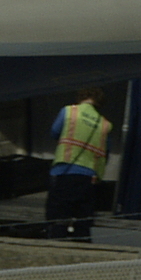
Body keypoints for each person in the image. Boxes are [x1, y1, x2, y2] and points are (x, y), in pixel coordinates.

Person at [45, 88, 112, 239]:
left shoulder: (69, 112)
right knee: (83, 221)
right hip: (89, 177)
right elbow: (105, 153)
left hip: (64, 171)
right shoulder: (104, 124)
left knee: (58, 219)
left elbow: (55, 132)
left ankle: (57, 250)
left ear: (81, 97)